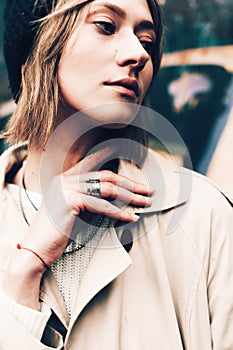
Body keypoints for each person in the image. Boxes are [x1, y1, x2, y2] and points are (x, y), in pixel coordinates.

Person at [0, 0, 232, 349]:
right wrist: (25, 272)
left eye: (148, 41)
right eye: (106, 26)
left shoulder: (203, 217)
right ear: (39, 42)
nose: (138, 53)